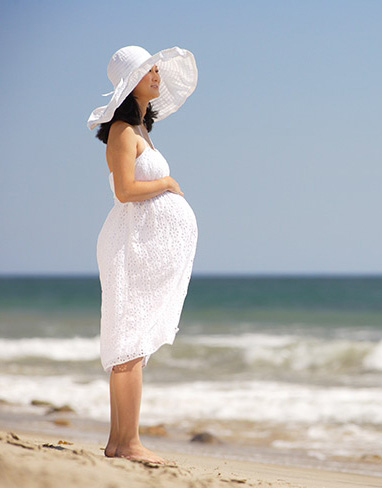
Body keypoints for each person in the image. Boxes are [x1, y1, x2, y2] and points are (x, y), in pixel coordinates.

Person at [88, 46, 199, 465]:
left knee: (129, 346)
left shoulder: (140, 132)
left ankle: (119, 443)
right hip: (132, 247)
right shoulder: (122, 131)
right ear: (128, 83)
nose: (156, 75)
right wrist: (167, 183)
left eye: (156, 69)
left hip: (144, 249)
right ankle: (129, 443)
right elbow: (124, 191)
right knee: (129, 344)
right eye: (148, 70)